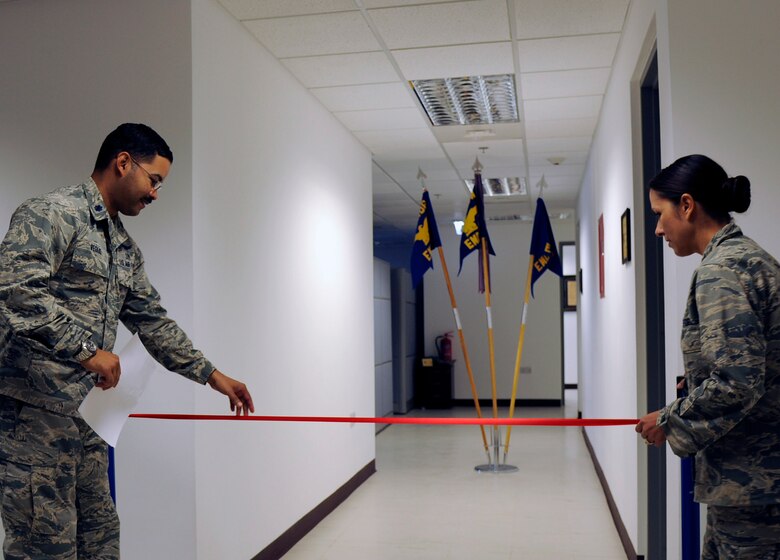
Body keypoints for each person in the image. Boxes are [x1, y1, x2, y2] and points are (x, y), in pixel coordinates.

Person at [0, 123, 255, 559]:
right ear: (123, 163)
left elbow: (152, 321)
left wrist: (212, 375)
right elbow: (14, 289)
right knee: (44, 547)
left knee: (100, 540)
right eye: (154, 180)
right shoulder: (51, 214)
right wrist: (85, 350)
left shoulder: (123, 248)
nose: (155, 193)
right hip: (34, 422)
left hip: (89, 422)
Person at [636, 154, 780, 558]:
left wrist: (668, 419)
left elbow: (737, 380)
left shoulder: (722, 270)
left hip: (752, 486)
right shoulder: (750, 259)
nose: (658, 228)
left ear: (686, 205)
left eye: (660, 213)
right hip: (755, 481)